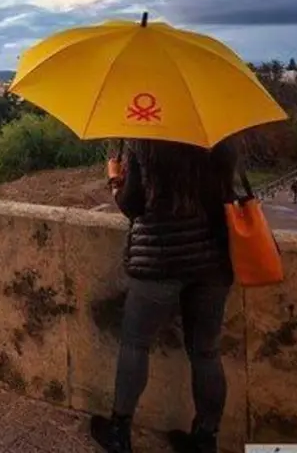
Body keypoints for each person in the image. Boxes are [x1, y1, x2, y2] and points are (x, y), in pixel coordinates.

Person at [95, 137, 238, 453]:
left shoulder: (146, 140)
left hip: (159, 260)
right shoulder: (219, 140)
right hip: (211, 262)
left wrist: (116, 181)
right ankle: (205, 439)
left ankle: (119, 432)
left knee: (136, 344)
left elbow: (133, 205)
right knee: (207, 352)